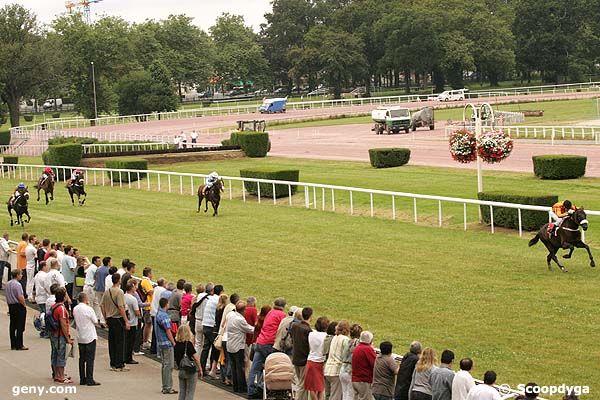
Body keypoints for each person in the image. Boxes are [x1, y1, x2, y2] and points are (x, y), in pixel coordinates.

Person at [247, 297, 287, 399]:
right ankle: (261, 387)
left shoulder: (270, 312)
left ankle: (251, 390)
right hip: (269, 343)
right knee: (270, 368)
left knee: (255, 368)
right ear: (283, 306)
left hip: (260, 341)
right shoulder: (282, 315)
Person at [100, 273, 130, 372]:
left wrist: (105, 317)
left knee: (112, 342)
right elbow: (121, 307)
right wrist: (126, 321)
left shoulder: (107, 291)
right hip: (118, 318)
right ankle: (119, 364)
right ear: (118, 280)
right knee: (120, 342)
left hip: (110, 318)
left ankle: (113, 363)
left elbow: (102, 305)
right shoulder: (119, 292)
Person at [226, 300, 255, 393]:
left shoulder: (231, 315)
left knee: (234, 367)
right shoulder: (240, 320)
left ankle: (236, 387)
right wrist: (259, 328)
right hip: (238, 346)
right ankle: (241, 387)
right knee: (239, 368)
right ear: (244, 310)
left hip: (230, 344)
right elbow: (249, 329)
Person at [73, 292, 100, 386]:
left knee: (82, 358)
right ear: (85, 299)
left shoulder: (75, 309)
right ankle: (90, 378)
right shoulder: (89, 309)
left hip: (81, 336)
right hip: (90, 336)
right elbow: (95, 321)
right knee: (90, 359)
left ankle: (82, 378)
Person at [50, 286, 73, 384]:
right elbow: (63, 324)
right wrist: (68, 338)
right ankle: (61, 376)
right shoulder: (62, 309)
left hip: (53, 334)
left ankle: (56, 374)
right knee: (61, 355)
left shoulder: (53, 306)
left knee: (55, 354)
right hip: (60, 335)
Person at [290, 306, 313, 400]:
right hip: (303, 359)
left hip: (296, 358)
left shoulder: (295, 326)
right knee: (302, 384)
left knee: (301, 382)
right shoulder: (307, 330)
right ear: (310, 317)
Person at [156, 297, 178, 394]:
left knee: (165, 365)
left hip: (160, 342)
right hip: (166, 343)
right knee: (169, 365)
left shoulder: (158, 314)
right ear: (166, 304)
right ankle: (167, 387)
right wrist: (173, 342)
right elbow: (168, 331)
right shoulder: (164, 316)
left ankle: (166, 385)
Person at [305, 316, 330, 400]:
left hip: (311, 360)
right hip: (320, 361)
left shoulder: (311, 334)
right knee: (319, 387)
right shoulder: (326, 336)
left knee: (313, 387)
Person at [324, 320, 350, 400]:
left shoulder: (334, 338)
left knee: (328, 395)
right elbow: (346, 355)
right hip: (336, 371)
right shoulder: (345, 339)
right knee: (336, 396)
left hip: (327, 369)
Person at [175, 324, 201, 400]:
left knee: (182, 392)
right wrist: (200, 368)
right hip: (190, 371)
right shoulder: (188, 344)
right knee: (190, 393)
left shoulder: (176, 345)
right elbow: (196, 358)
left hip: (181, 370)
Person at [200, 283, 219, 375]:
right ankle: (212, 369)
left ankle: (202, 368)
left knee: (206, 348)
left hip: (205, 325)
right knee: (214, 348)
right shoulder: (217, 300)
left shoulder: (210, 299)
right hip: (211, 326)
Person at [6, 269, 28, 350]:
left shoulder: (8, 284)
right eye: (20, 274)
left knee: (12, 324)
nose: (21, 276)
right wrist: (24, 305)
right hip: (18, 306)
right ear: (17, 275)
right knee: (20, 325)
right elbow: (20, 297)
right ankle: (19, 344)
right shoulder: (18, 285)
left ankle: (13, 343)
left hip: (11, 305)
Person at [351, 331, 376, 400]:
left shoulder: (357, 348)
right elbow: (375, 364)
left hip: (355, 379)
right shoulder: (367, 349)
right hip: (364, 380)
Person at [340, 324, 362, 400]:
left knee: (345, 394)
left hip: (343, 369)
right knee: (350, 395)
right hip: (350, 371)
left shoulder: (347, 341)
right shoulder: (357, 343)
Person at [124, 281, 141, 365]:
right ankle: (128, 358)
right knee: (131, 341)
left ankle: (125, 356)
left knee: (126, 340)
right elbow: (137, 312)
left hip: (126, 321)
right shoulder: (133, 299)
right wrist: (139, 316)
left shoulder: (124, 296)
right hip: (133, 322)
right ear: (132, 288)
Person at [191, 283, 209, 353]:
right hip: (204, 322)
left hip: (197, 321)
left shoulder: (195, 298)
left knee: (198, 342)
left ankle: (196, 359)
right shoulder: (206, 298)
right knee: (204, 343)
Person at [139, 267, 155, 349]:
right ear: (149, 274)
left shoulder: (144, 281)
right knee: (148, 324)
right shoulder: (146, 281)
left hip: (147, 305)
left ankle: (143, 340)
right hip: (148, 306)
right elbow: (150, 292)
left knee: (147, 324)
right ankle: (144, 342)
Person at [150, 278, 167, 354]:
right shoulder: (163, 291)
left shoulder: (156, 288)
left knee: (154, 331)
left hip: (153, 311)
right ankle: (157, 350)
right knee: (158, 332)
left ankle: (153, 348)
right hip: (157, 312)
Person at [93, 256, 110, 327]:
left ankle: (100, 318)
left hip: (97, 289)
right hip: (103, 289)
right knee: (105, 306)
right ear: (108, 262)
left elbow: (94, 277)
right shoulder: (108, 270)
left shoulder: (99, 269)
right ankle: (103, 320)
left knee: (100, 304)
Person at [25, 234, 37, 300]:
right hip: (31, 265)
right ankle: (30, 296)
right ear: (31, 240)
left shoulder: (27, 247)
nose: (35, 241)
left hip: (28, 264)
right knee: (31, 281)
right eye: (34, 240)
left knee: (29, 281)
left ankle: (28, 294)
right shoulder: (32, 248)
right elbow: (36, 255)